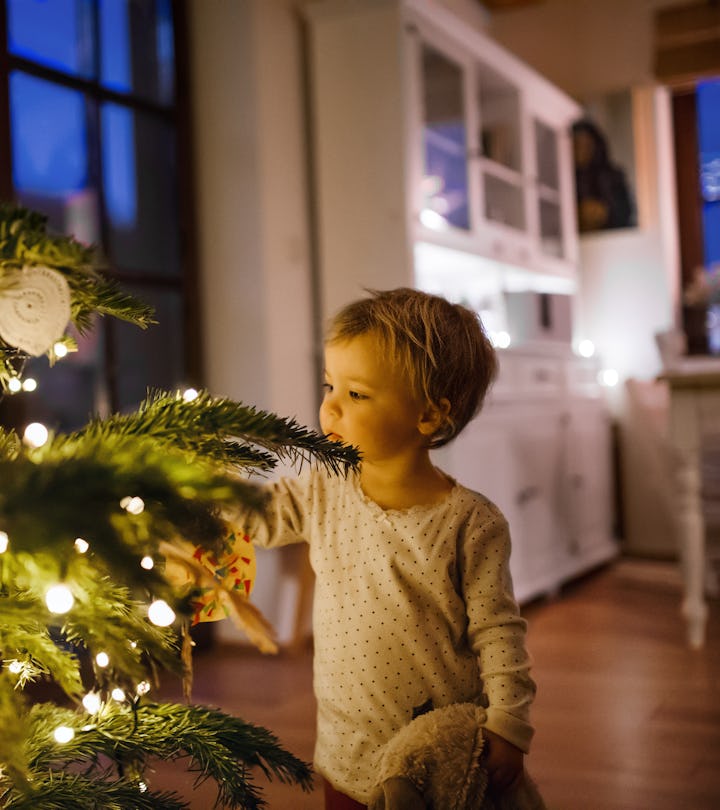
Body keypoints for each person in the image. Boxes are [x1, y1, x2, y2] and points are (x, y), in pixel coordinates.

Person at [235, 288, 536, 808]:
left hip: (434, 757)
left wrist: (508, 724)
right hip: (343, 747)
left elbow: (498, 630)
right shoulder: (324, 490)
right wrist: (192, 496)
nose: (329, 405)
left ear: (429, 416)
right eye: (330, 385)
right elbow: (259, 517)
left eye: (356, 395)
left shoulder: (470, 522)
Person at [573, 118, 634, 232]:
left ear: (596, 146)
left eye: (587, 145)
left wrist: (604, 212)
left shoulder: (613, 176)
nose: (581, 151)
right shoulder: (561, 179)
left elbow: (626, 212)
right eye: (576, 145)